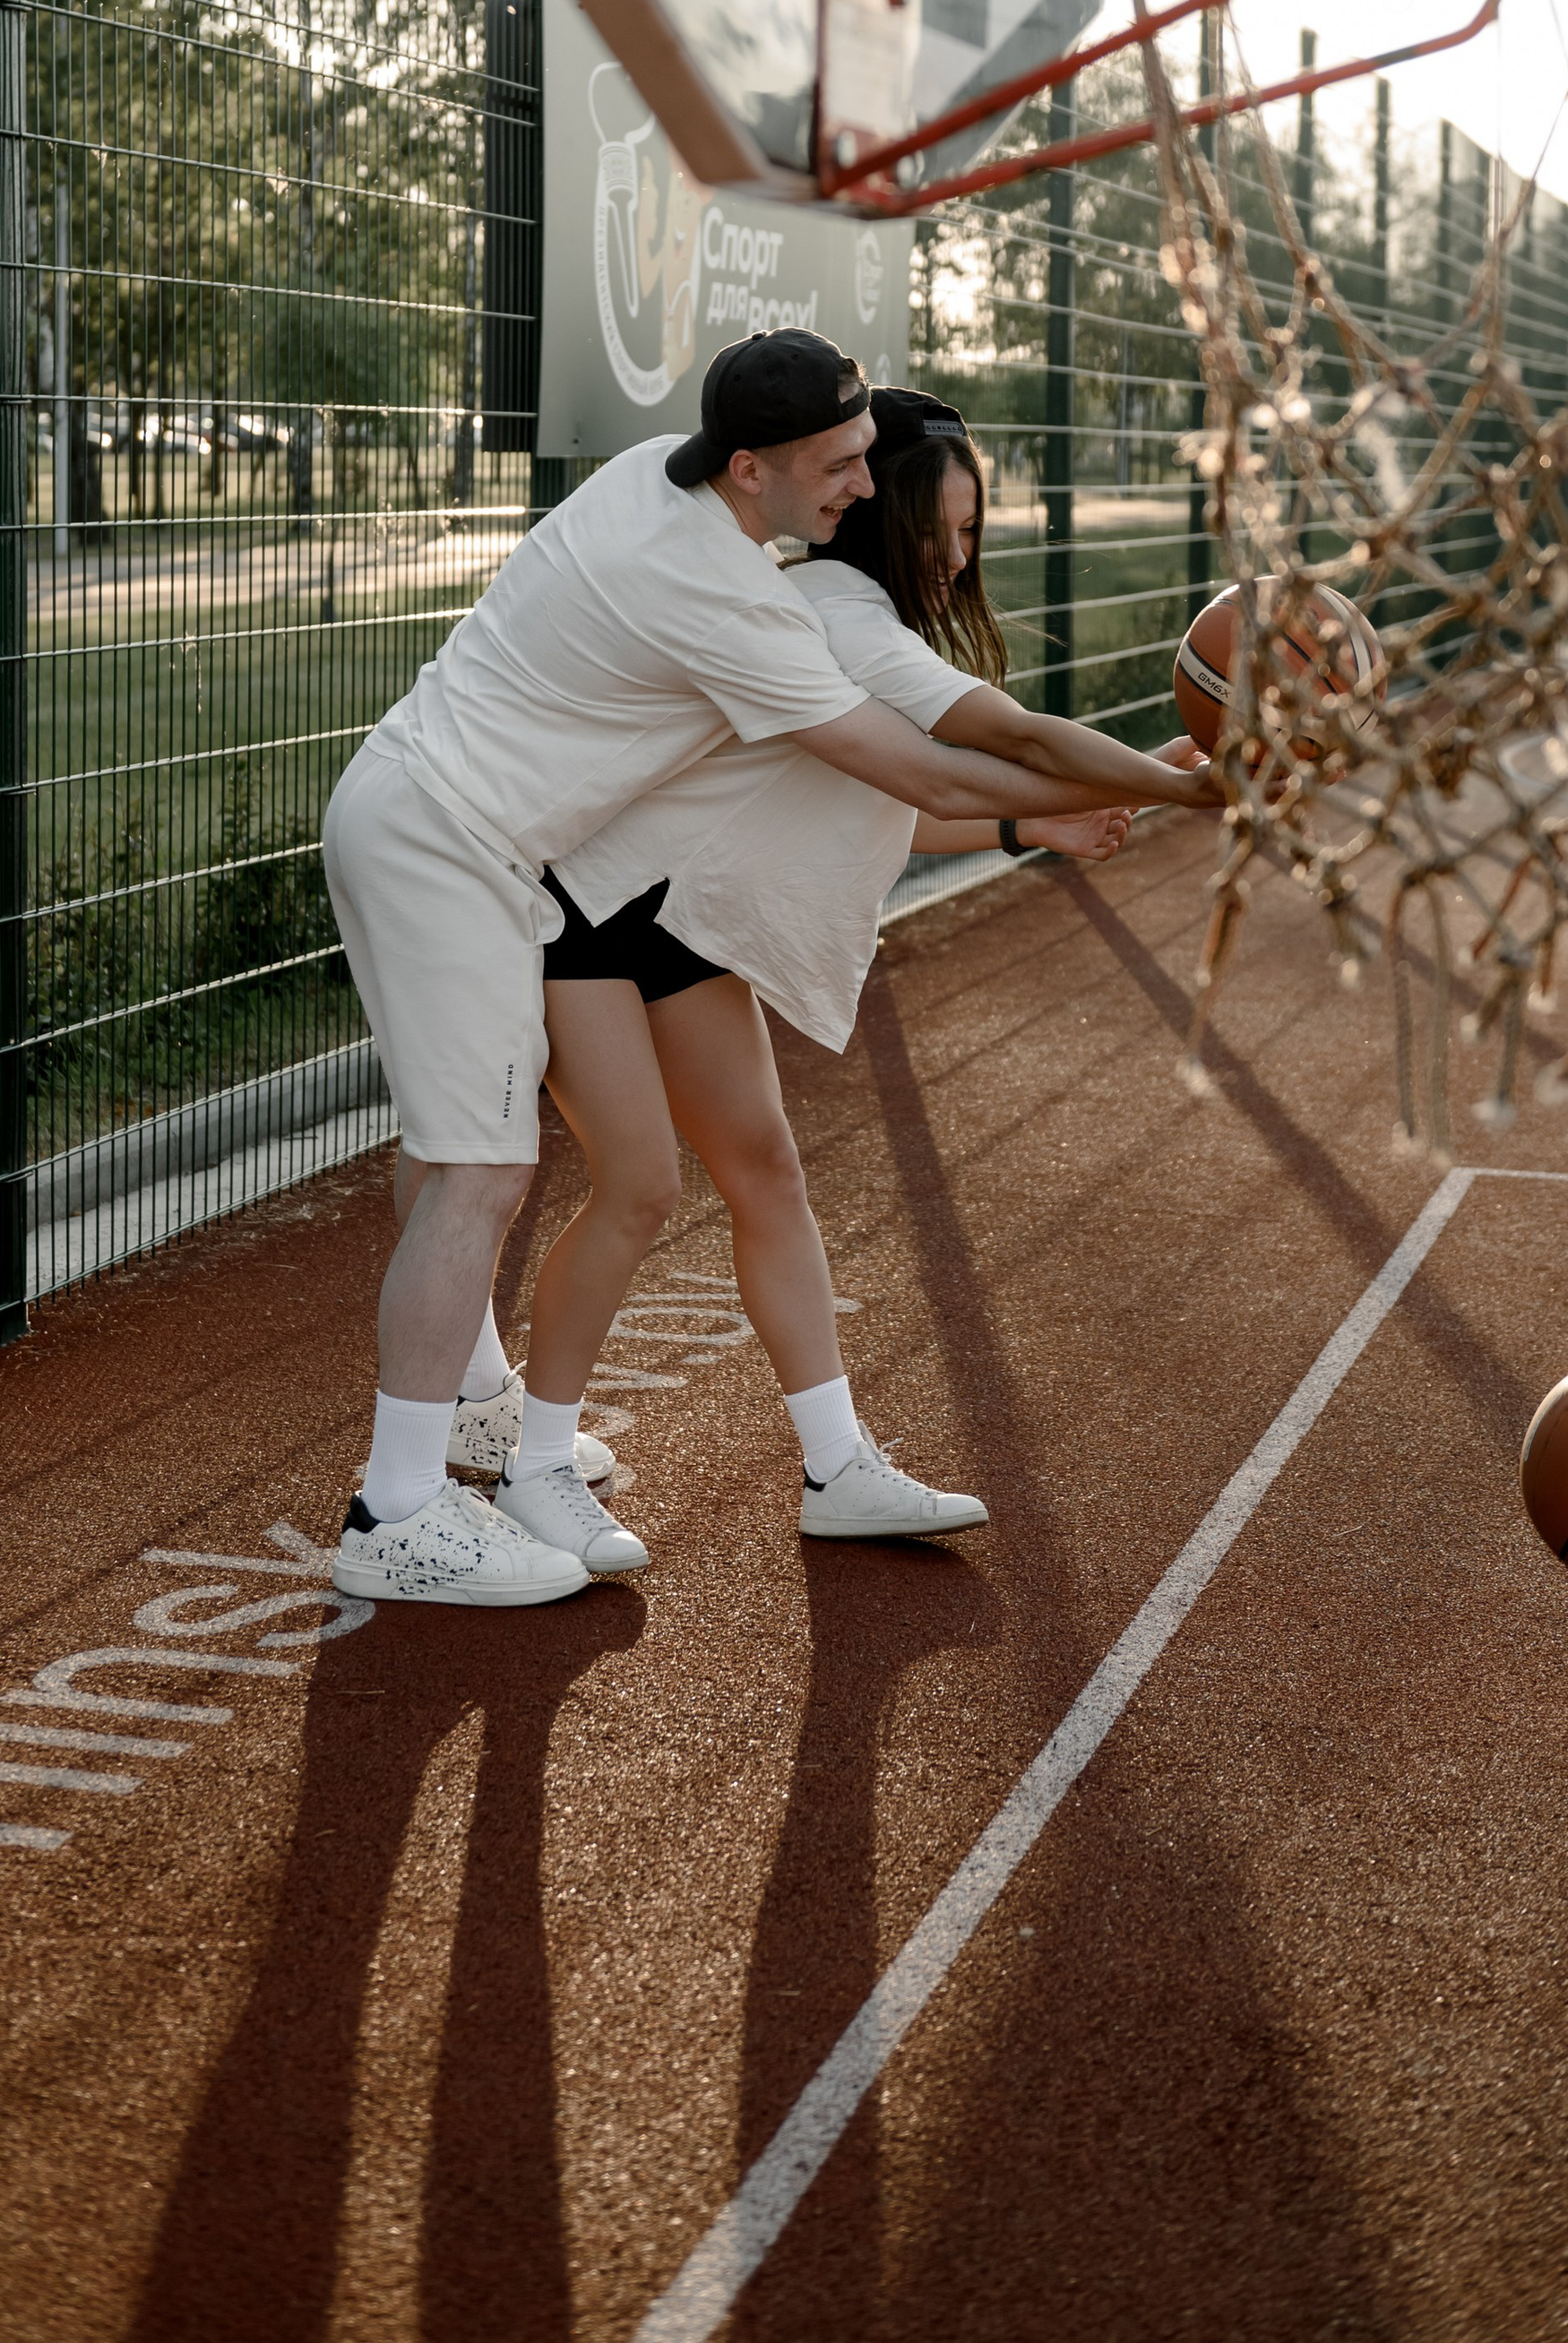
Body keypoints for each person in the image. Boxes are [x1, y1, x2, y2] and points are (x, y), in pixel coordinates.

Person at [321, 332, 1218, 1609]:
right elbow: (938, 766)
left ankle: (483, 1418)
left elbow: (910, 788)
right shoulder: (732, 597)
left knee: (477, 1151)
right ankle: (402, 1506)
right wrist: (1198, 783)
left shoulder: (673, 492)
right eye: (847, 460)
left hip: (463, 833)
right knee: (488, 1167)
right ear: (751, 467)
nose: (866, 478)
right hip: (462, 844)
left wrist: (1054, 814)